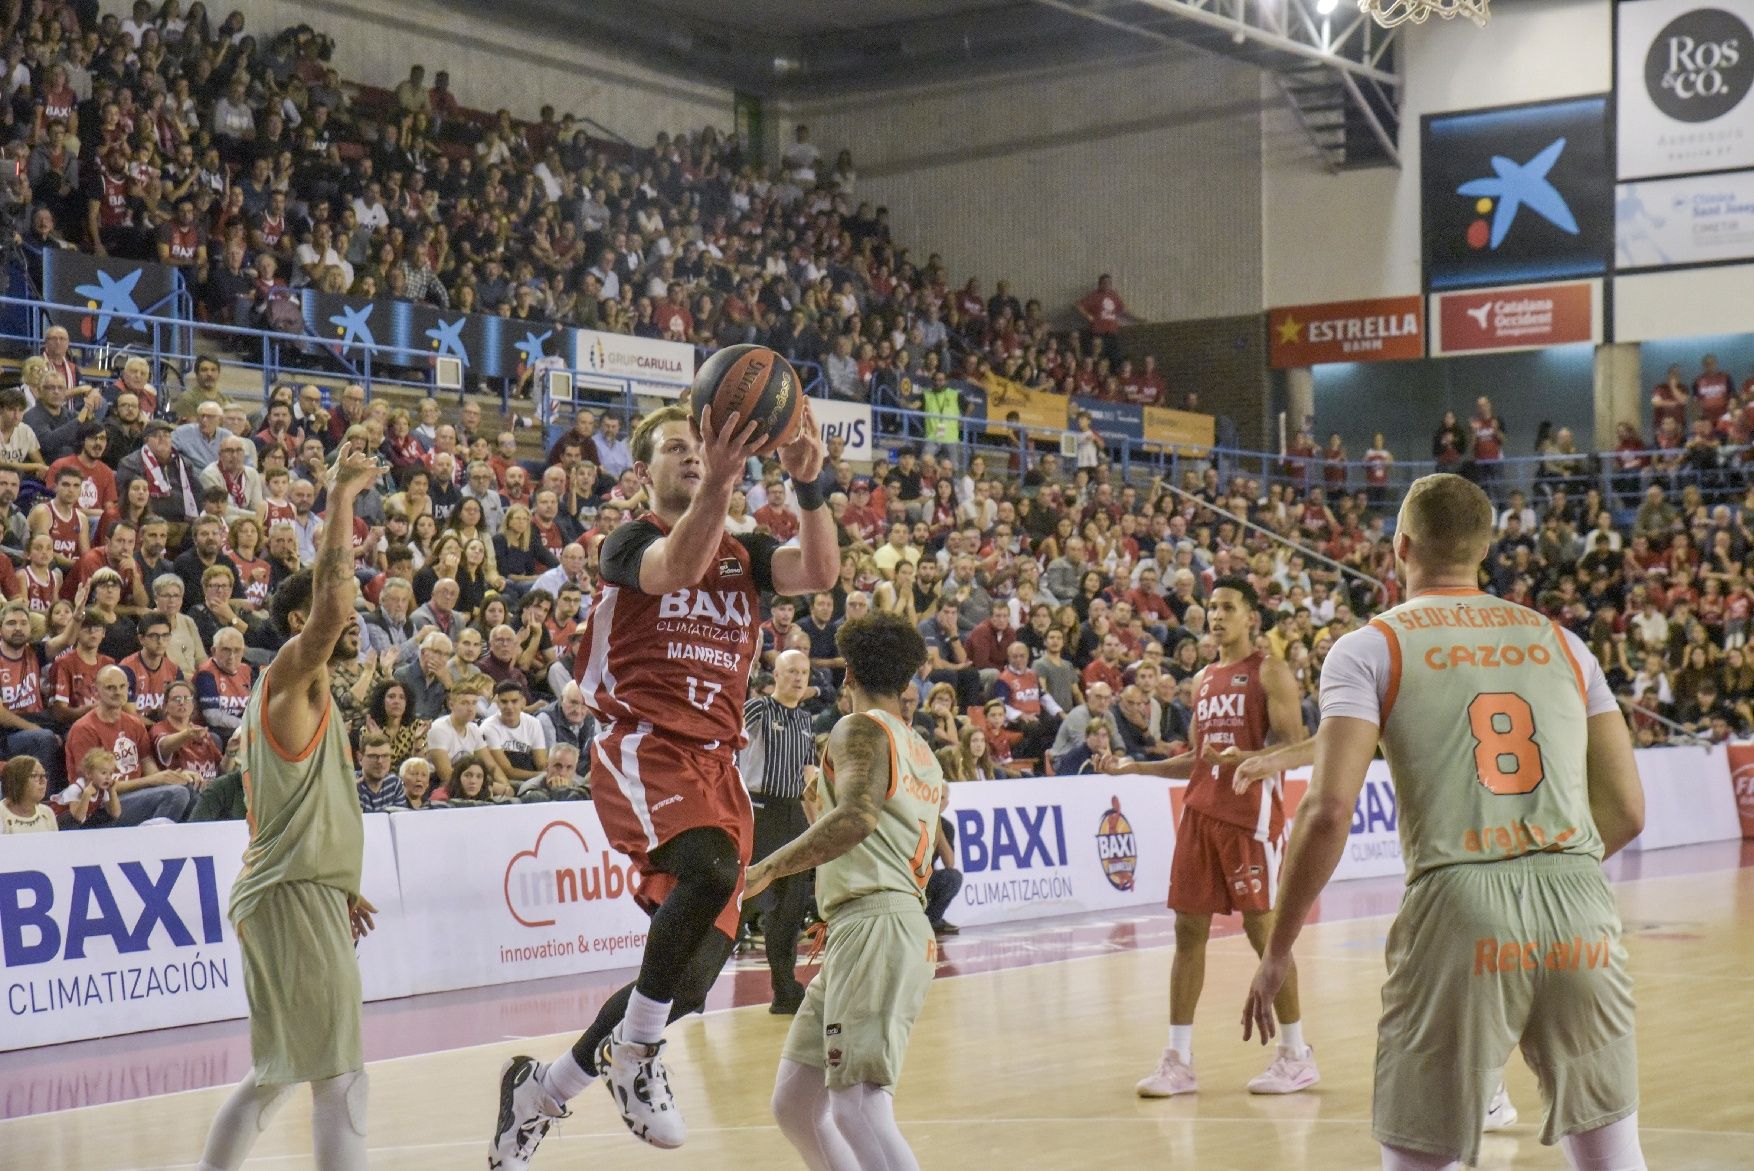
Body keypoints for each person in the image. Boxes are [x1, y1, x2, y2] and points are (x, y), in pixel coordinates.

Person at [1240, 473, 1646, 1171]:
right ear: (1485, 550)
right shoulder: (1565, 644)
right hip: (1580, 900)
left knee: (1422, 1158)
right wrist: (1551, 869)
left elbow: (1328, 809)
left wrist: (1277, 948)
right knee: (1614, 1156)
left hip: (1459, 902)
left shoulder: (1368, 647)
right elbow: (1629, 809)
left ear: (1400, 546)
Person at [491, 400, 833, 1163]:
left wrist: (810, 486)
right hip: (644, 745)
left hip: (718, 766)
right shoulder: (627, 542)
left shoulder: (744, 553)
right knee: (708, 867)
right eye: (679, 447)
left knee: (686, 983)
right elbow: (677, 564)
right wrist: (722, 474)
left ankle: (542, 1090)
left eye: (699, 446)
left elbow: (818, 570)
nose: (693, 455)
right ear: (643, 471)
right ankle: (637, 1054)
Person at [195, 441, 382, 1171]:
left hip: (294, 887)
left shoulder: (314, 696)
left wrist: (336, 882)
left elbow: (305, 810)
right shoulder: (289, 678)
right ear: (304, 619)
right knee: (340, 1076)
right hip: (288, 893)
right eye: (342, 607)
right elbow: (335, 601)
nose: (357, 613)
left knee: (279, 1072)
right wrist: (340, 498)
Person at [745, 611, 946, 1171]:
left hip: (877, 924)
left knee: (857, 1104)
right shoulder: (920, 750)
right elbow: (874, 825)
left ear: (848, 673)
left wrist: (768, 868)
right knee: (795, 1103)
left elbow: (857, 816)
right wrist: (821, 804)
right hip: (871, 925)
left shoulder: (860, 729)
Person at [1129, 577, 1316, 1098]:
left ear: (1250, 617)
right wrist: (1135, 769)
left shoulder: (1271, 672)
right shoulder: (1203, 678)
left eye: (1228, 608)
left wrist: (1250, 762)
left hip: (1249, 818)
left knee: (1266, 936)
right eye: (1211, 608)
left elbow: (1294, 746)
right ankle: (1178, 1060)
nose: (1217, 616)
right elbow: (1197, 762)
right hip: (1200, 814)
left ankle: (1296, 1055)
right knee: (1188, 933)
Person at [739, 648, 821, 1014]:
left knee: (791, 907)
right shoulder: (757, 709)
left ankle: (785, 991)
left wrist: (817, 823)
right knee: (743, 901)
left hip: (793, 815)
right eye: (792, 671)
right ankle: (696, 985)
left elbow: (808, 776)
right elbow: (728, 749)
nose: (799, 678)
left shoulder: (806, 720)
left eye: (804, 672)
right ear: (776, 674)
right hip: (760, 811)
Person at [2, 756, 57, 833]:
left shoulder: (47, 813)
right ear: (17, 781)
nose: (43, 781)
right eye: (35, 776)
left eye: (44, 775)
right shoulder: (2, 814)